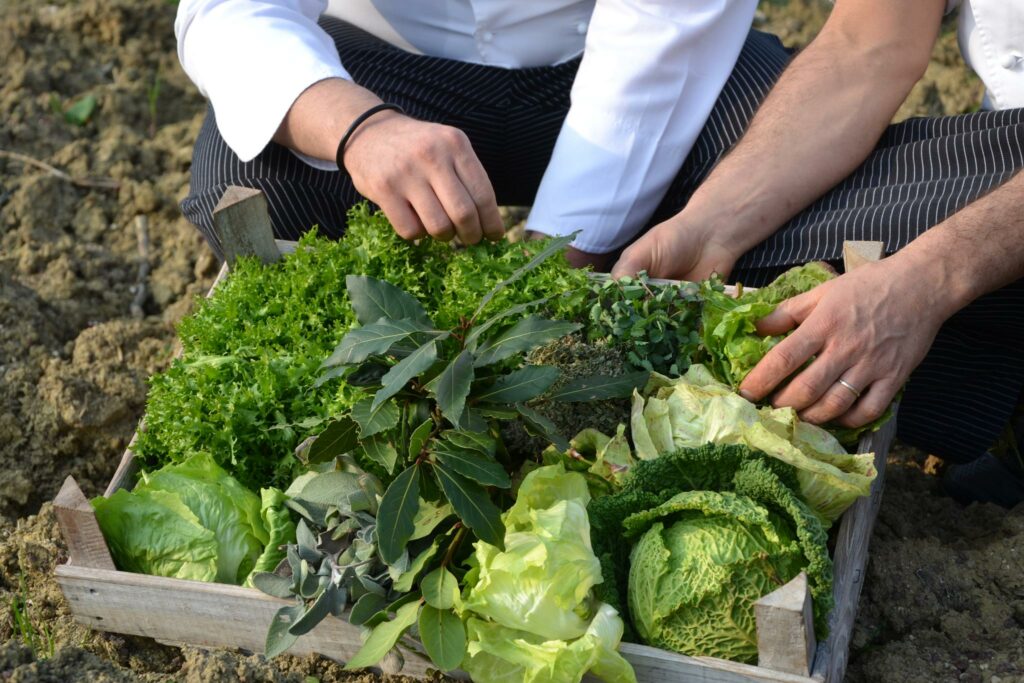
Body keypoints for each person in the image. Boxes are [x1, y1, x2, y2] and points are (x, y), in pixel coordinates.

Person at [613, 0, 1024, 506]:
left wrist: (926, 283)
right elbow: (865, 46)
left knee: (861, 321)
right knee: (760, 264)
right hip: (1004, 140)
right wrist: (711, 225)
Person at [175, 0, 767, 265]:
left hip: (616, 59)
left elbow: (667, 24)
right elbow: (228, 9)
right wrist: (360, 127)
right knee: (250, 180)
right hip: (394, 71)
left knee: (787, 148)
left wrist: (551, 265)